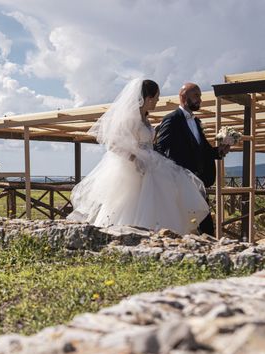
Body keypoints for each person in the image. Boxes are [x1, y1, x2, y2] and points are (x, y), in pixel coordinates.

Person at [67, 78, 209, 235]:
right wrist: (135, 159)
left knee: (163, 202)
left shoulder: (146, 118)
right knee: (129, 206)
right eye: (157, 97)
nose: (158, 100)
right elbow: (113, 144)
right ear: (148, 98)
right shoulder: (130, 119)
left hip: (152, 164)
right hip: (133, 170)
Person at [154, 82, 230, 236]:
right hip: (181, 183)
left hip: (198, 182)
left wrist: (219, 151)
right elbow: (160, 148)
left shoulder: (196, 121)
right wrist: (174, 173)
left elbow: (204, 150)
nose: (199, 100)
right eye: (196, 96)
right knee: (186, 225)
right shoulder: (172, 119)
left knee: (205, 225)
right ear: (183, 97)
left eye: (200, 96)